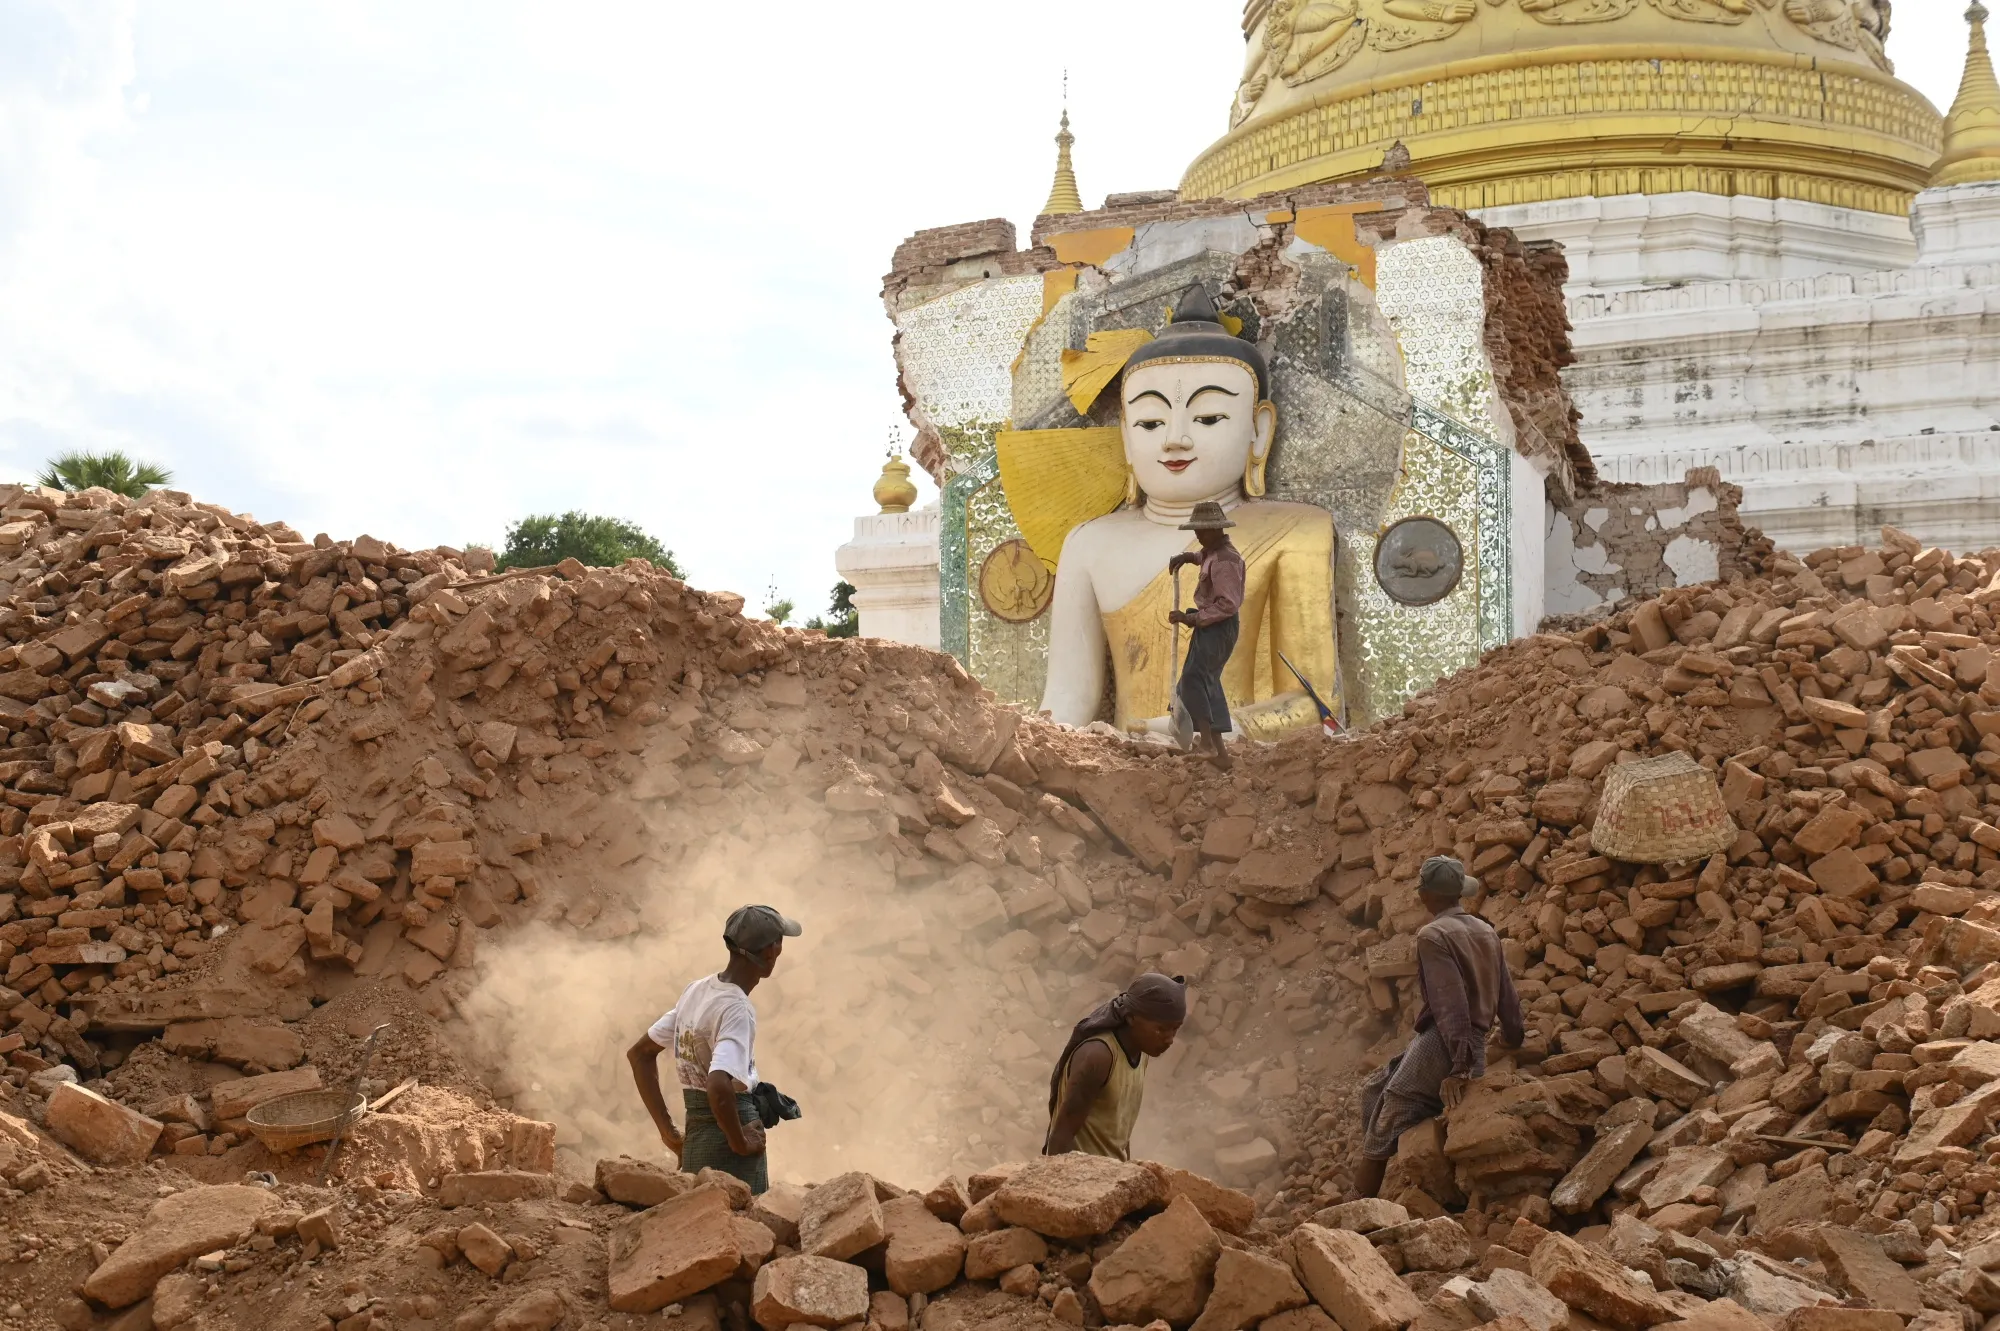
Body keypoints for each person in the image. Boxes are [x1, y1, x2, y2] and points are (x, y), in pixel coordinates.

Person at [1353, 856, 1524, 1198]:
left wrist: (1459, 1067)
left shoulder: (1432, 936)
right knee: (1374, 1089)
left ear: (1426, 895)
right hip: (1467, 1042)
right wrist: (1510, 1037)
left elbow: (1452, 1004)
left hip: (1446, 1043)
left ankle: (1357, 1209)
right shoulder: (1486, 930)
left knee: (1389, 1112)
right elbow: (1508, 997)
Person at [626, 904, 801, 1194]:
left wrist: (670, 1135)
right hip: (732, 1137)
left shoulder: (697, 990)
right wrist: (740, 1142)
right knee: (740, 1229)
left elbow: (640, 1054)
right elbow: (719, 1085)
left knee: (700, 1226)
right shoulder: (737, 1009)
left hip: (697, 1136)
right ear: (771, 952)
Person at [1043, 972, 1187, 1159]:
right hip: (1081, 1178)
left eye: (1175, 1029)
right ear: (1131, 1018)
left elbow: (1118, 1132)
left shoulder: (1143, 1051)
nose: (1169, 1039)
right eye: (1161, 1029)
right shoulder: (1098, 1056)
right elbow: (1061, 1135)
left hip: (1112, 1177)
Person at [1168, 500, 1246, 770]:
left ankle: (1207, 744)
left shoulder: (1226, 560)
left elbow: (1227, 605)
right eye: (1196, 531)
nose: (1198, 536)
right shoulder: (1214, 551)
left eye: (1202, 531)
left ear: (1216, 530)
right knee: (1208, 684)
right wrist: (1188, 557)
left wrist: (1190, 618)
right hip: (1211, 626)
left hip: (1218, 627)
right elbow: (1204, 557)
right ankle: (1220, 755)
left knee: (1193, 680)